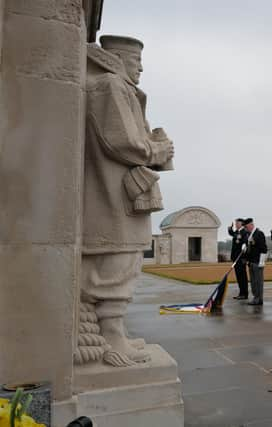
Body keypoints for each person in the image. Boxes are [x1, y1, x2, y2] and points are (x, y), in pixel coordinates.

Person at [82, 35, 174, 365]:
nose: (141, 68)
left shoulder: (118, 87)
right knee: (117, 260)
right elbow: (123, 143)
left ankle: (114, 331)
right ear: (120, 58)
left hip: (121, 193)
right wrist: (158, 149)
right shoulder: (110, 85)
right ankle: (110, 337)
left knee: (126, 259)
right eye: (136, 62)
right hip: (113, 195)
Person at [243, 218, 268, 306]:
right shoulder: (248, 235)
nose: (246, 229)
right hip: (251, 262)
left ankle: (259, 299)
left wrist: (262, 261)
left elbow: (264, 249)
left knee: (258, 282)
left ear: (251, 225)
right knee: (253, 282)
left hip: (258, 261)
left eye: (246, 227)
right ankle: (255, 297)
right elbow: (249, 249)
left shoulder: (259, 234)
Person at [228, 218, 249, 300]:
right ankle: (241, 293)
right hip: (235, 258)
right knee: (238, 277)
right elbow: (232, 234)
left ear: (241, 224)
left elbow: (245, 243)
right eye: (236, 223)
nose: (236, 224)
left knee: (242, 277)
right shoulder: (237, 232)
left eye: (237, 223)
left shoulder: (244, 232)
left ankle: (244, 294)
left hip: (241, 258)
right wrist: (230, 228)